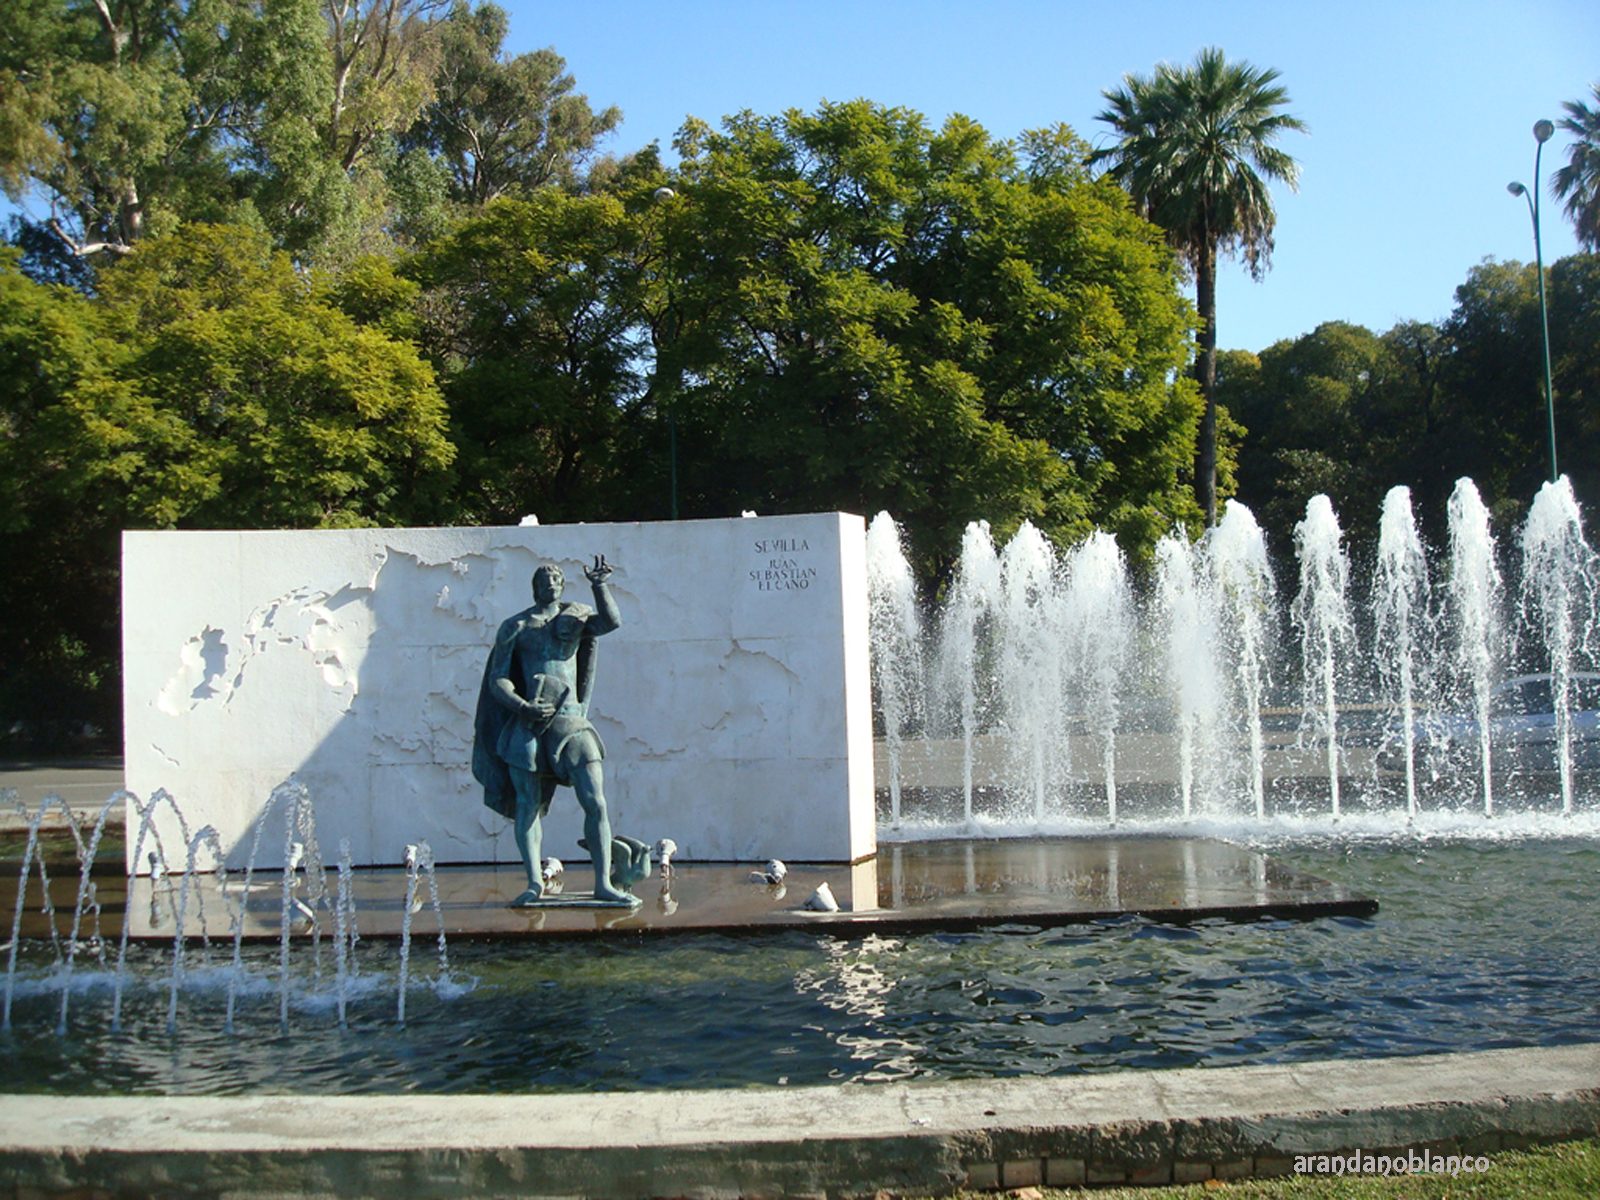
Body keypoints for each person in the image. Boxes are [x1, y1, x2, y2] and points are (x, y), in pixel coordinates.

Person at [471, 555, 637, 906]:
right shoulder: (515, 626)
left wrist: (599, 586)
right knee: (527, 805)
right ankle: (535, 883)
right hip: (529, 724)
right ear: (534, 588)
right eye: (544, 581)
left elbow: (611, 621)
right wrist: (522, 706)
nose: (550, 585)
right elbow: (498, 679)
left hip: (571, 722)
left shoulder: (574, 620)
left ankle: (603, 884)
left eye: (556, 581)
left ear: (562, 586)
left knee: (595, 801)